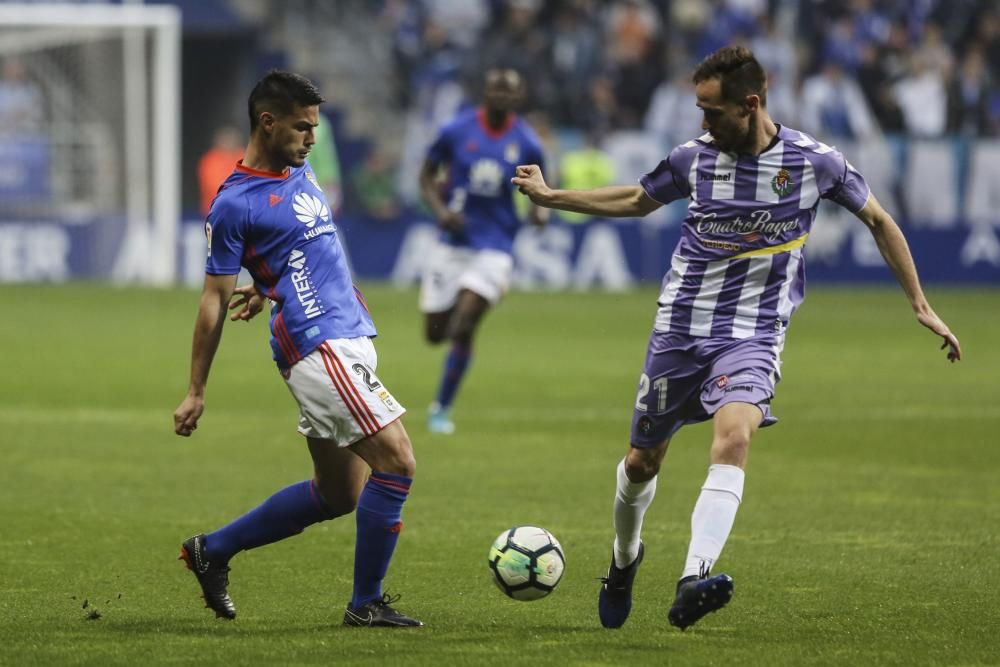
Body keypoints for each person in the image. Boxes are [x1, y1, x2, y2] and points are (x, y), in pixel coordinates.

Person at [511, 46, 962, 631]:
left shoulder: (814, 163)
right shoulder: (692, 160)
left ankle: (692, 578)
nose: (703, 123)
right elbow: (636, 199)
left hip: (753, 333)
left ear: (750, 105)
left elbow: (879, 219)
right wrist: (553, 197)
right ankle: (624, 560)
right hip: (680, 328)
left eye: (712, 112)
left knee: (734, 438)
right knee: (643, 461)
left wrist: (921, 305)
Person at [173, 71, 422, 628]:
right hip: (318, 346)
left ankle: (212, 550)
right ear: (267, 122)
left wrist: (266, 284)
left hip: (347, 335)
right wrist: (196, 390)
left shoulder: (297, 167)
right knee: (398, 462)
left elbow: (296, 246)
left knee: (339, 494)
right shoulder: (233, 204)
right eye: (302, 127)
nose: (312, 138)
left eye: (314, 127)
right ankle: (366, 605)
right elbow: (212, 301)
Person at [418, 67, 548, 434]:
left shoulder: (527, 141)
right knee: (435, 333)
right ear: (485, 92)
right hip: (453, 243)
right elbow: (426, 175)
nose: (502, 97)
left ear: (518, 97)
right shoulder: (455, 130)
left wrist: (539, 212)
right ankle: (465, 316)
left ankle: (441, 408)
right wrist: (442, 212)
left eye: (510, 92)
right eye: (496, 90)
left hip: (496, 245)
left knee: (465, 321)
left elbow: (541, 187)